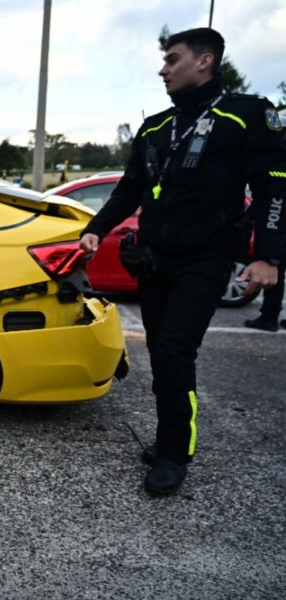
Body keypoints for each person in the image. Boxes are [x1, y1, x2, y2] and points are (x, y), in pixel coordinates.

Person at [79, 27, 286, 496]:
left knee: (174, 351)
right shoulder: (155, 127)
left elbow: (276, 189)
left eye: (172, 59)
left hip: (206, 259)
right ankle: (169, 437)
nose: (163, 69)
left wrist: (270, 256)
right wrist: (95, 228)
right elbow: (129, 188)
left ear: (205, 61)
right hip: (153, 260)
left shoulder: (246, 116)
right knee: (161, 352)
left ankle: (175, 453)